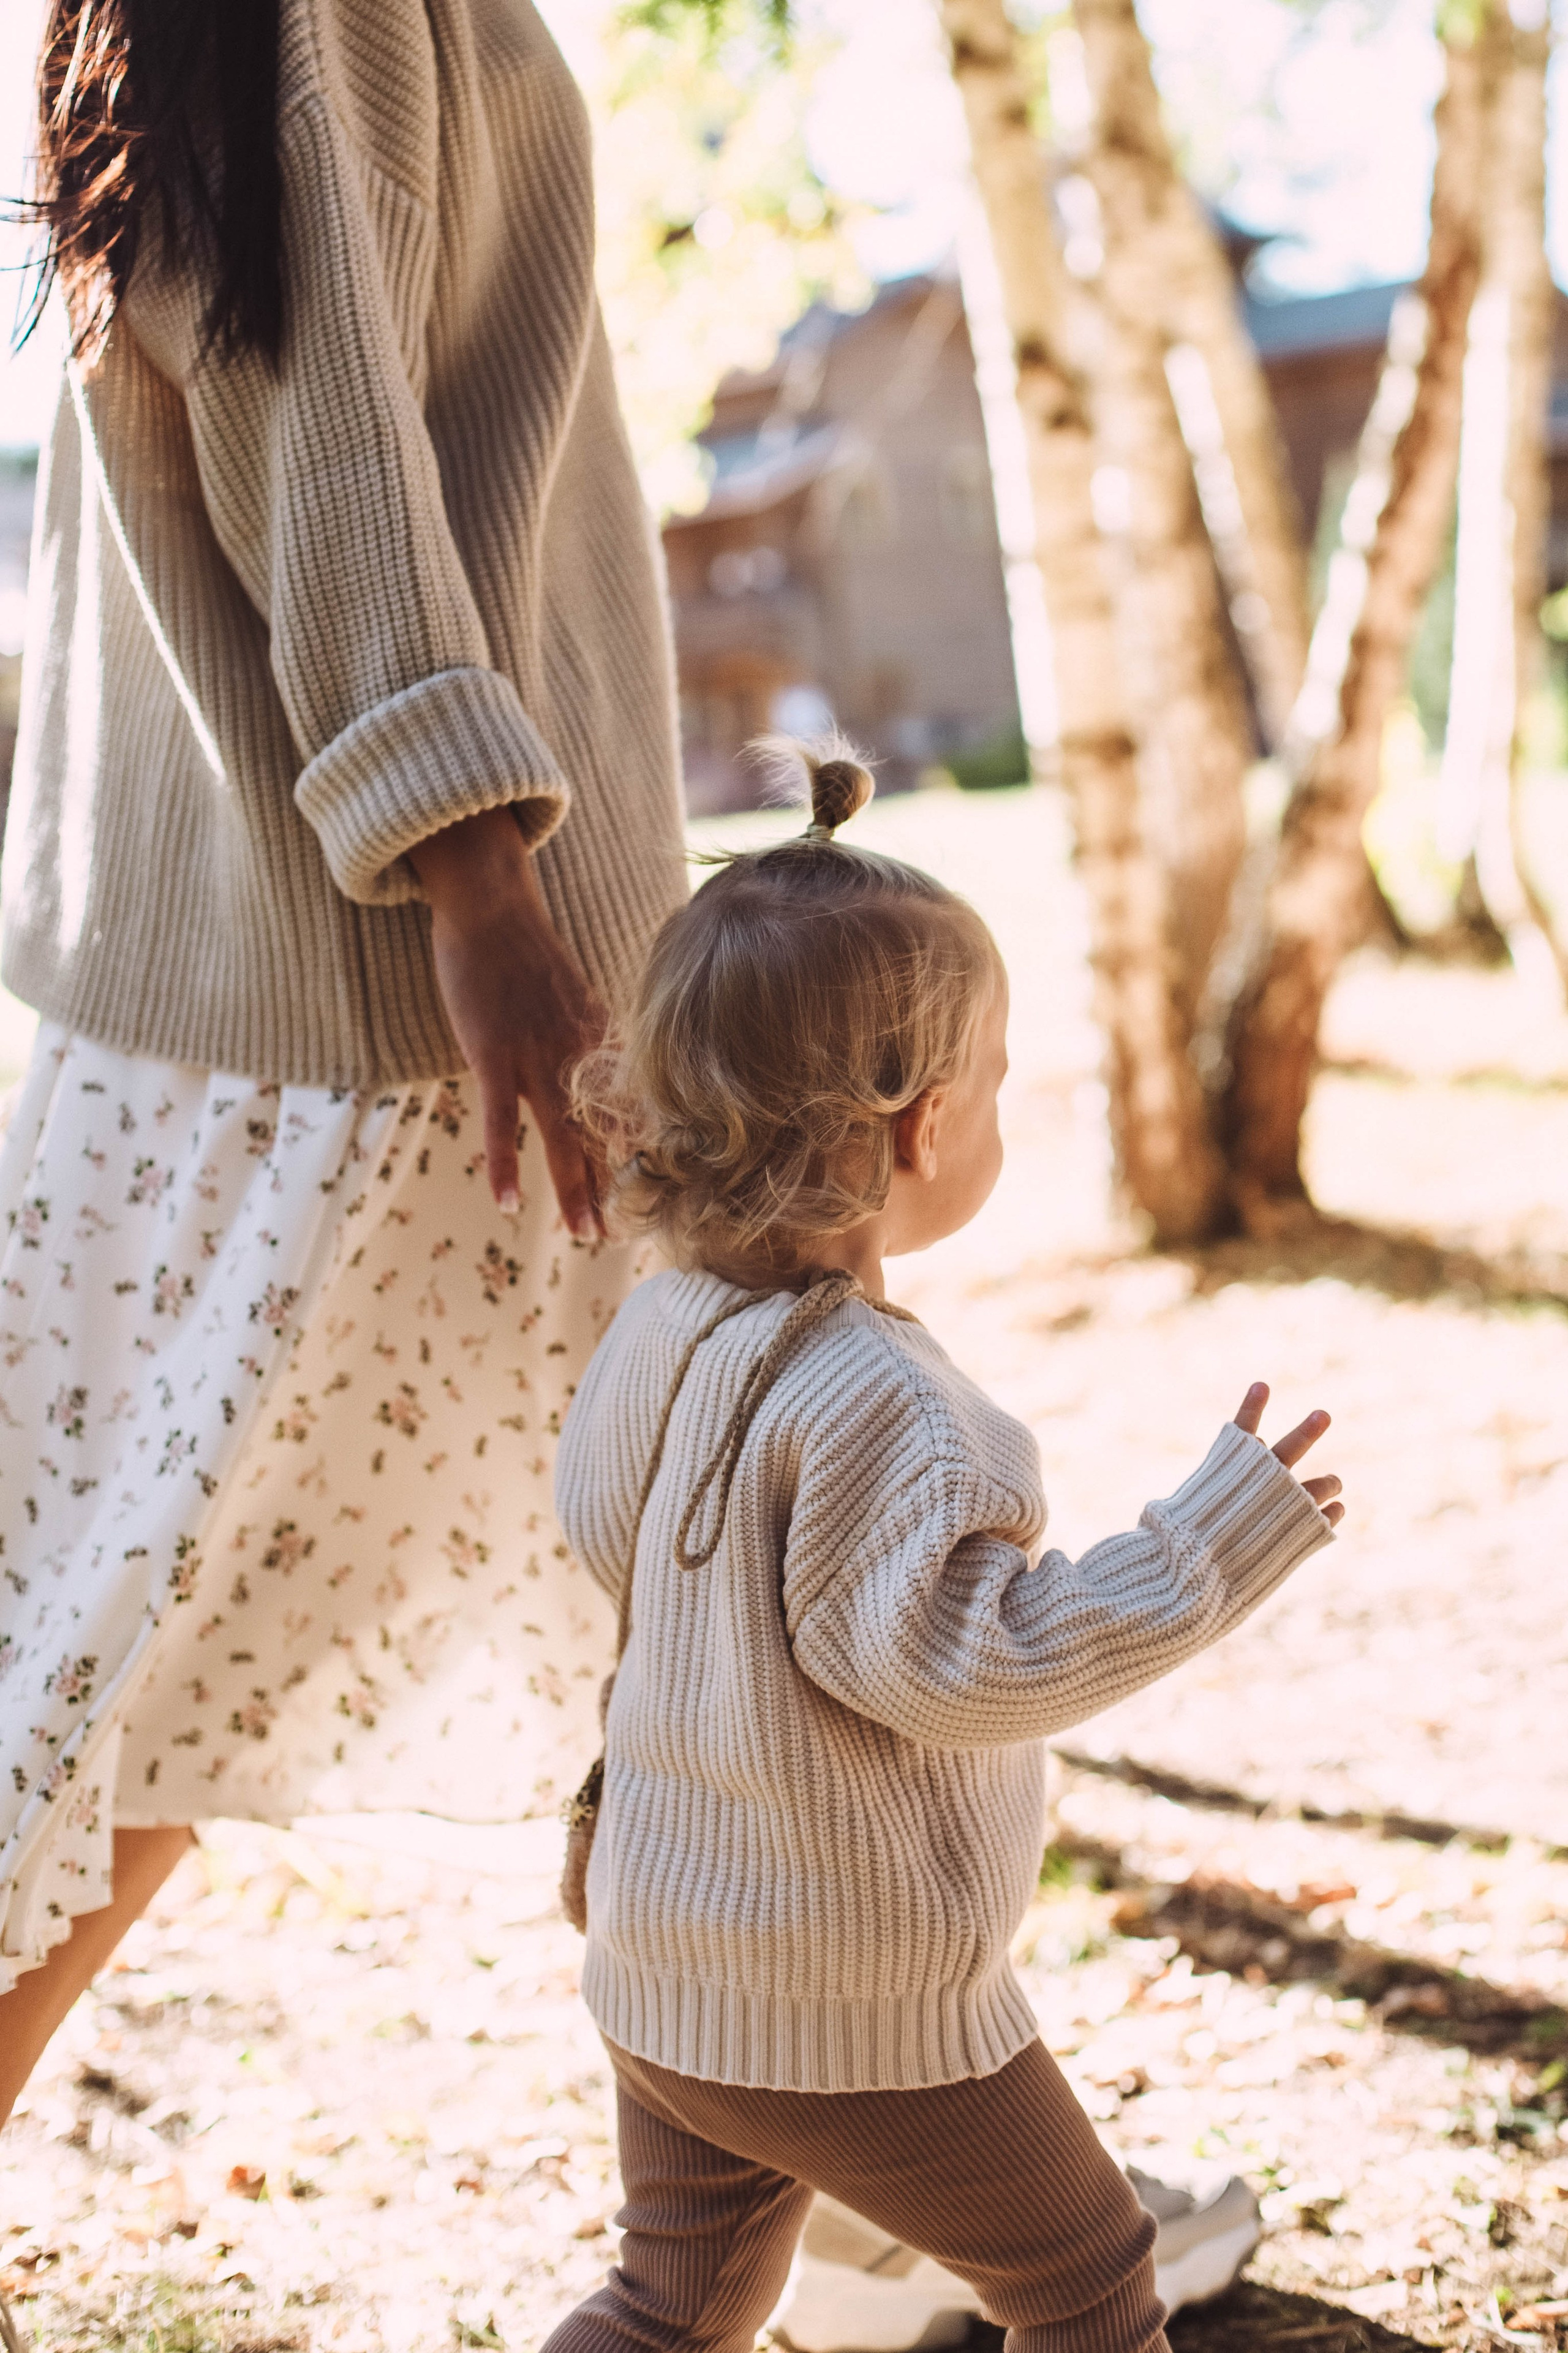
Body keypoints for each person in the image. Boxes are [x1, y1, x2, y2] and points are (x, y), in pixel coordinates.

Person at [0, 0, 685, 2129]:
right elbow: (326, 437)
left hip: (243, 984)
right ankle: (851, 2181)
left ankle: (822, 2196)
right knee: (721, 1601)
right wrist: (470, 873)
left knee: (112, 1667)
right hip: (418, 994)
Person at [546, 742, 1343, 2353]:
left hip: (661, 1955)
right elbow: (988, 1658)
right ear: (917, 1129)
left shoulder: (660, 1324)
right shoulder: (880, 1400)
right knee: (1085, 2277)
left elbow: (596, 1522)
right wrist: (1210, 1539)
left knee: (672, 2298)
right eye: (996, 1077)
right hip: (854, 2011)